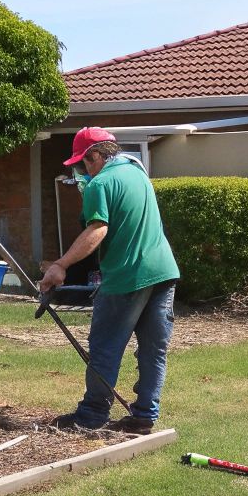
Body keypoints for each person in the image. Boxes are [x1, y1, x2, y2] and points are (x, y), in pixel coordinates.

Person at [37, 127, 181, 434]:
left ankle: (91, 415)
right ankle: (143, 416)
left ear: (96, 156)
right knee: (153, 349)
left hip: (128, 276)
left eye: (84, 163)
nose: (83, 170)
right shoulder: (137, 172)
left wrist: (60, 265)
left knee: (105, 346)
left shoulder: (99, 184)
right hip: (164, 271)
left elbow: (97, 230)